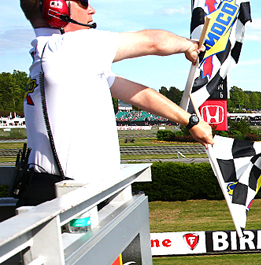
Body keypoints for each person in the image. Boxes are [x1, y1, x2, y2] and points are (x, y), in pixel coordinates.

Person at [18, 0, 214, 206]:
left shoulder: (57, 56)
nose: (91, 9)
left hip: (55, 191)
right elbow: (154, 41)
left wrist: (190, 121)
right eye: (83, 2)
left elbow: (136, 94)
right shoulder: (69, 47)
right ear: (56, 7)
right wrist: (190, 45)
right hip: (71, 198)